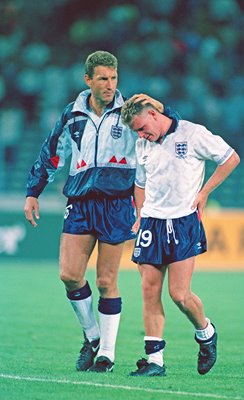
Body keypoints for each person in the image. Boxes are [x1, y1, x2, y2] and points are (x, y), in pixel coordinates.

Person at [24, 50, 176, 374]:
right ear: (88, 80)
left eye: (114, 78)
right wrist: (32, 192)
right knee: (69, 275)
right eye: (103, 79)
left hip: (117, 203)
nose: (109, 85)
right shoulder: (72, 115)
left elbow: (163, 130)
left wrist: (160, 110)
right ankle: (92, 336)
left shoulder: (129, 112)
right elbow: (52, 153)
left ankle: (106, 355)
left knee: (107, 281)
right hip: (79, 202)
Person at [121, 96, 240, 377]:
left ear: (152, 114)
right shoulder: (143, 144)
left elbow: (230, 158)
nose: (141, 135)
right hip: (152, 222)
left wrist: (205, 192)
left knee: (179, 294)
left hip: (183, 221)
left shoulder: (192, 133)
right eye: (136, 132)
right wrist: (140, 215)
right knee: (149, 289)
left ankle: (206, 333)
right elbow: (140, 183)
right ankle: (155, 361)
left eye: (142, 128)